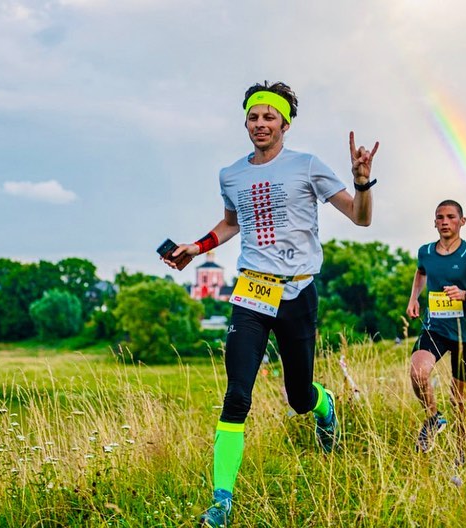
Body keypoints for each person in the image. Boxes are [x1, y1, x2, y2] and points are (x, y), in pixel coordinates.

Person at [161, 81, 379, 528]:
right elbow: (229, 224)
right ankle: (222, 502)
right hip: (252, 293)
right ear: (245, 122)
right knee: (237, 394)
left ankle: (325, 406)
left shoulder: (307, 166)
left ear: (285, 123)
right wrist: (196, 248)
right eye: (253, 117)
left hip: (298, 293)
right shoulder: (231, 175)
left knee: (299, 398)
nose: (261, 124)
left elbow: (360, 217)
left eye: (269, 117)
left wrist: (361, 183)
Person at [406, 200, 466, 460]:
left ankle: (462, 453)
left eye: (450, 217)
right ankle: (433, 418)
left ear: (462, 221)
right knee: (418, 372)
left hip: (464, 333)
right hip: (434, 327)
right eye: (440, 217)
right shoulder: (425, 251)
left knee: (459, 401)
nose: (445, 222)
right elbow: (421, 272)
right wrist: (414, 298)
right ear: (434, 222)